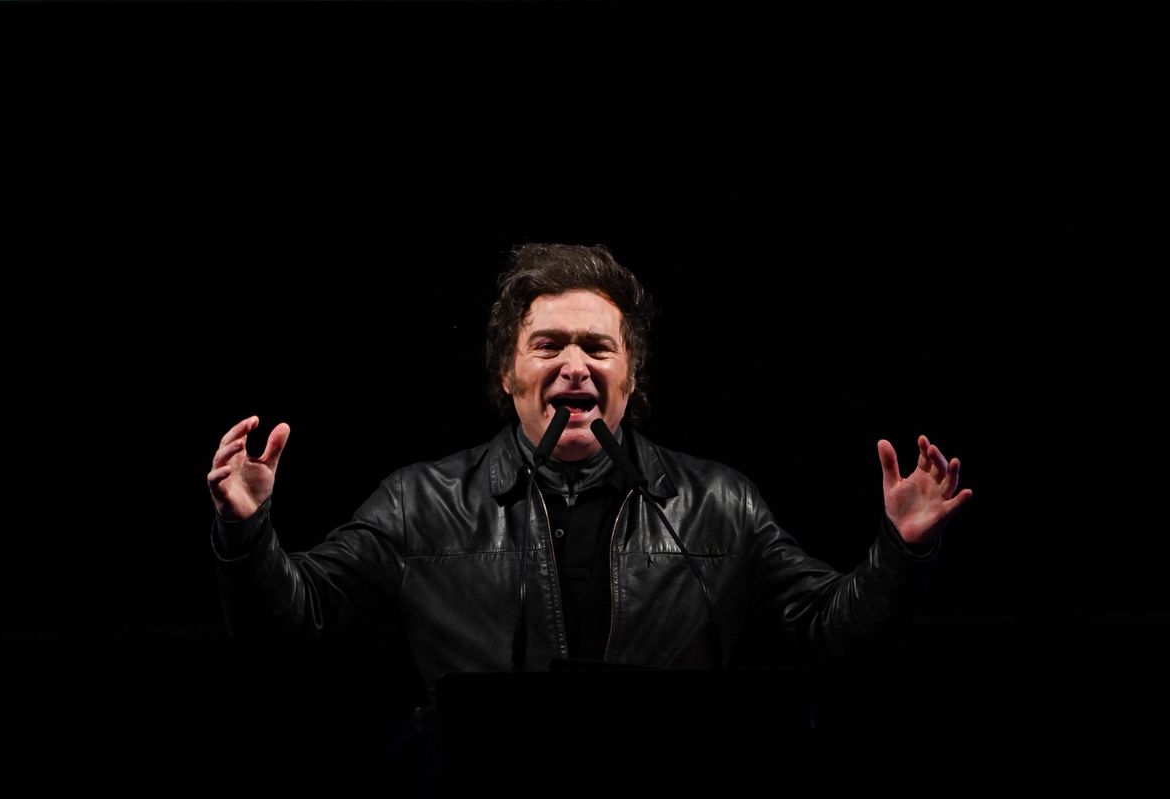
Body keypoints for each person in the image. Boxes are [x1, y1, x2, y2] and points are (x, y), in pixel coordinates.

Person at [207, 242, 971, 707]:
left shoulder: (718, 502)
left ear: (630, 378)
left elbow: (831, 631)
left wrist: (900, 552)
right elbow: (296, 624)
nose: (574, 363)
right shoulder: (420, 502)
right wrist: (247, 533)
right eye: (549, 344)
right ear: (508, 374)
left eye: (598, 348)